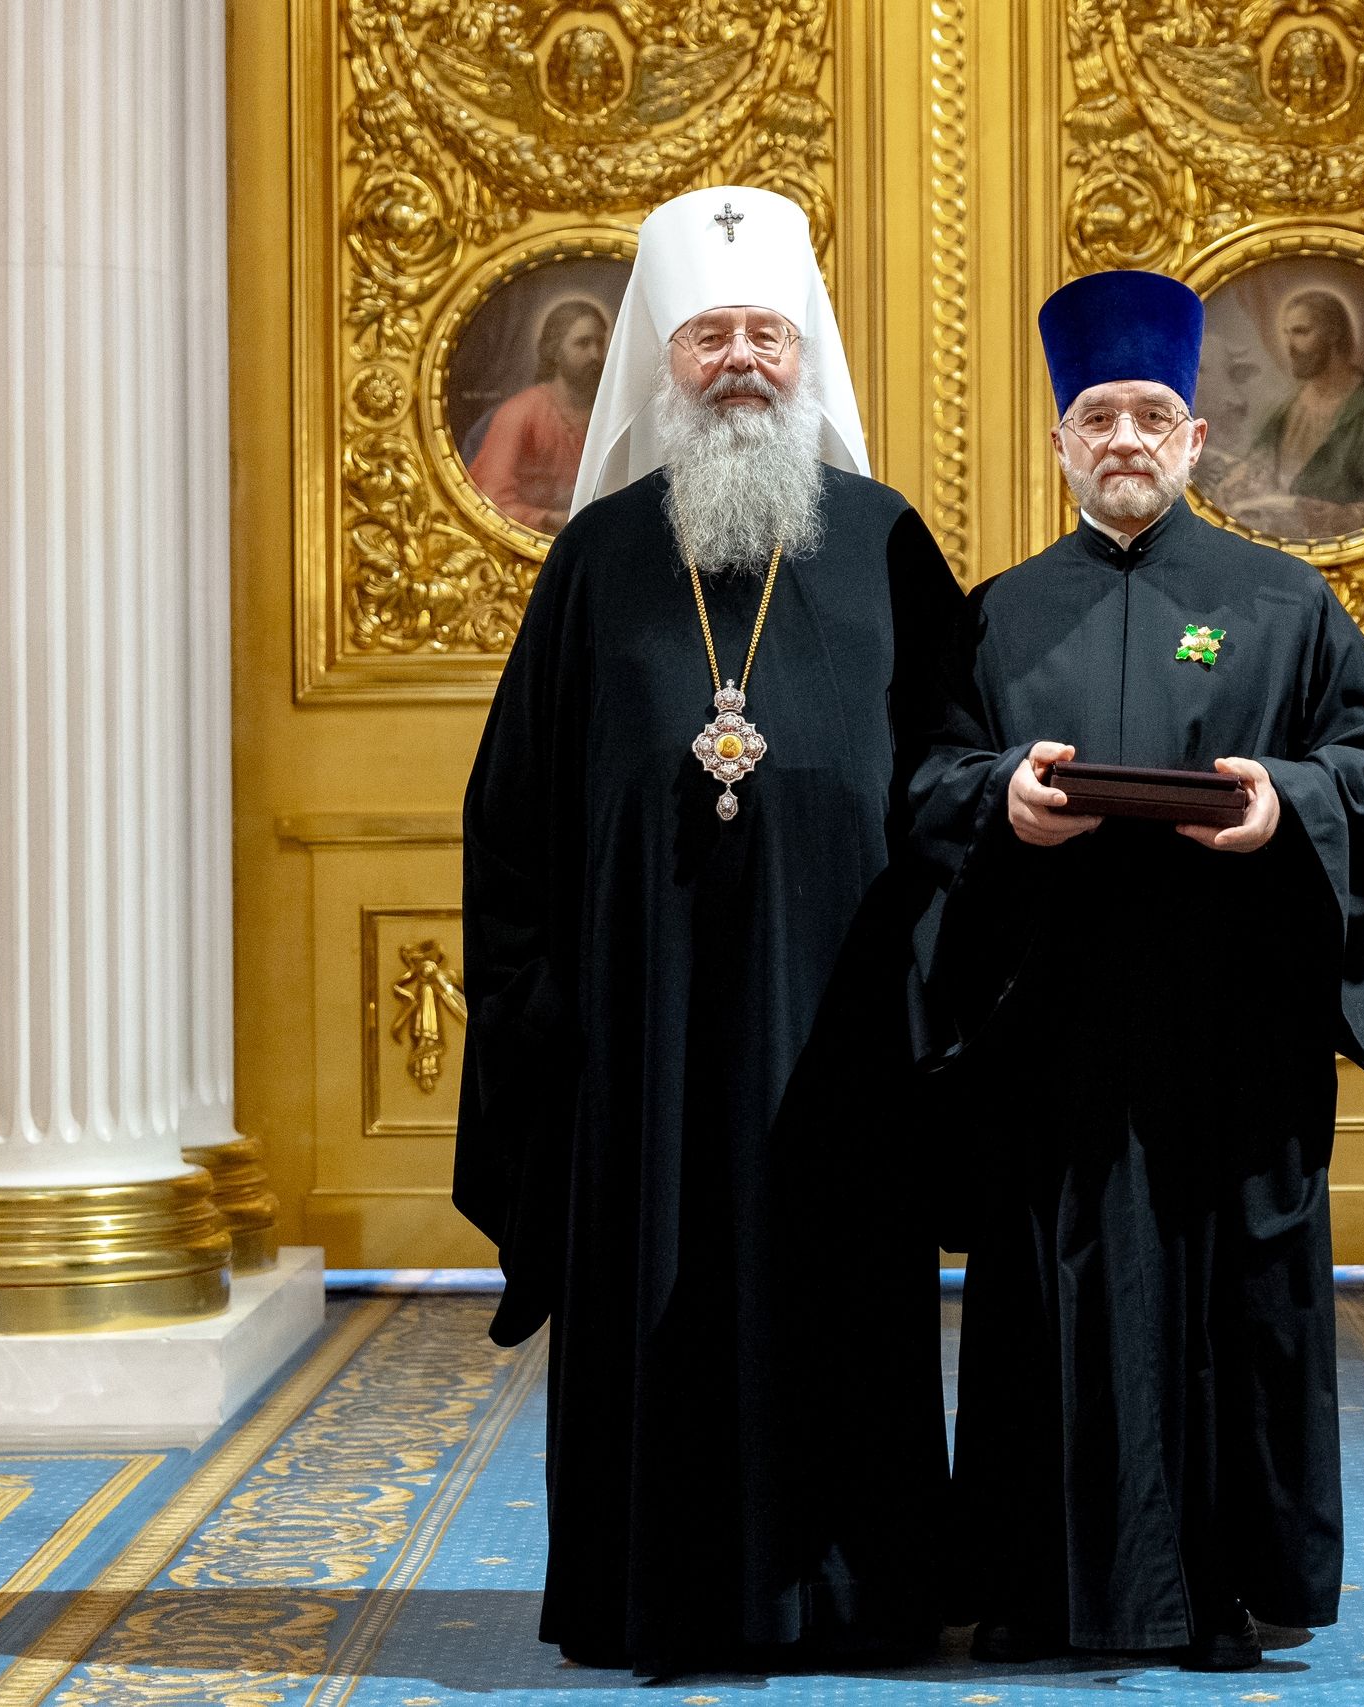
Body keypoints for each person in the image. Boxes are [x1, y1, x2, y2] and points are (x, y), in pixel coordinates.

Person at [453, 185, 960, 1676]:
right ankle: (651, 1590)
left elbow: (953, 773)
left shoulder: (885, 541)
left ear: (805, 356)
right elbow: (511, 814)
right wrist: (547, 1010)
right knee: (658, 1282)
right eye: (709, 336)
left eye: (765, 335)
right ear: (660, 361)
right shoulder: (598, 557)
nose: (740, 360)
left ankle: (858, 1597)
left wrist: (935, 992)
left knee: (839, 1289)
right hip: (646, 1039)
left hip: (839, 1026)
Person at [910, 268, 1364, 1672]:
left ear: (1196, 438)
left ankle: (1231, 1586)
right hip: (1053, 1031)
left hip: (1231, 1030)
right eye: (1098, 417)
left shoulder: (1286, 602)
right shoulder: (995, 615)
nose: (1125, 439)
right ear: (1061, 443)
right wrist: (1001, 796)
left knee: (1231, 1308)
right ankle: (1036, 1582)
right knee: (1049, 1299)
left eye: (1151, 415)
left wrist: (1285, 804)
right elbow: (930, 779)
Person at [1243, 289, 1364, 532]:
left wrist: (1345, 516)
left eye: (1301, 332)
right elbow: (1255, 467)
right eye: (1287, 333)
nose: (1290, 346)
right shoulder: (1288, 407)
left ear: (1334, 334)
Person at [463, 298, 608, 532]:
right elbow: (490, 500)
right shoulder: (519, 413)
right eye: (583, 343)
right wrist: (550, 519)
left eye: (600, 343)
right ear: (555, 351)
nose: (596, 355)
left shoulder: (608, 412)